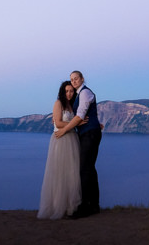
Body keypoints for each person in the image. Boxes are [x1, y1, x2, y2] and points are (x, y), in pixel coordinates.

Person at [55, 70, 100, 218]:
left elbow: (80, 115)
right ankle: (93, 205)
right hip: (87, 133)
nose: (74, 82)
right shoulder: (78, 96)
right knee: (89, 169)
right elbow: (80, 117)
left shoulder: (85, 93)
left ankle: (85, 207)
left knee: (84, 170)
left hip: (89, 134)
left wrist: (64, 130)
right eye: (71, 80)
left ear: (82, 79)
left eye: (76, 79)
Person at [37, 80, 81, 219]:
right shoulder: (58, 103)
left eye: (71, 91)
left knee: (72, 173)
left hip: (72, 139)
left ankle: (70, 206)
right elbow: (58, 122)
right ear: (62, 92)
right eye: (66, 91)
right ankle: (57, 206)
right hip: (60, 140)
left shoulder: (72, 105)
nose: (69, 93)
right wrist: (76, 122)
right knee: (59, 173)